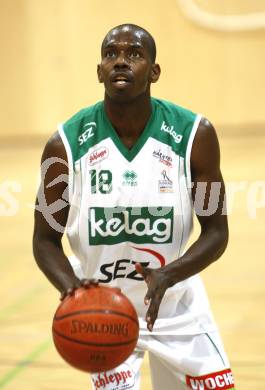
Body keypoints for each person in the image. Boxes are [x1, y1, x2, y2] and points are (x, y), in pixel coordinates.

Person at [33, 24, 235, 389]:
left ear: (154, 71)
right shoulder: (62, 145)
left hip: (176, 308)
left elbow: (217, 234)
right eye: (111, 54)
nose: (121, 62)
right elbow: (45, 240)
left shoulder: (196, 136)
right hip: (105, 315)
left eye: (134, 54)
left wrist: (169, 275)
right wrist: (74, 290)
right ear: (99, 72)